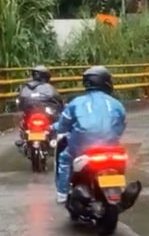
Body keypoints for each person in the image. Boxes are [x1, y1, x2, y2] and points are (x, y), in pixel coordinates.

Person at [52, 66, 126, 204]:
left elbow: (63, 125)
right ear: (106, 82)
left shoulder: (76, 103)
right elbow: (121, 125)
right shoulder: (116, 104)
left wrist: (58, 130)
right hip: (111, 149)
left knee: (64, 159)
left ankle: (62, 194)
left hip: (83, 149)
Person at [15, 65, 64, 147]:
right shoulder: (49, 87)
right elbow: (58, 101)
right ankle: (54, 137)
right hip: (42, 114)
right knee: (57, 119)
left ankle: (24, 138)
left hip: (32, 113)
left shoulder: (26, 87)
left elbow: (20, 102)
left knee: (23, 118)